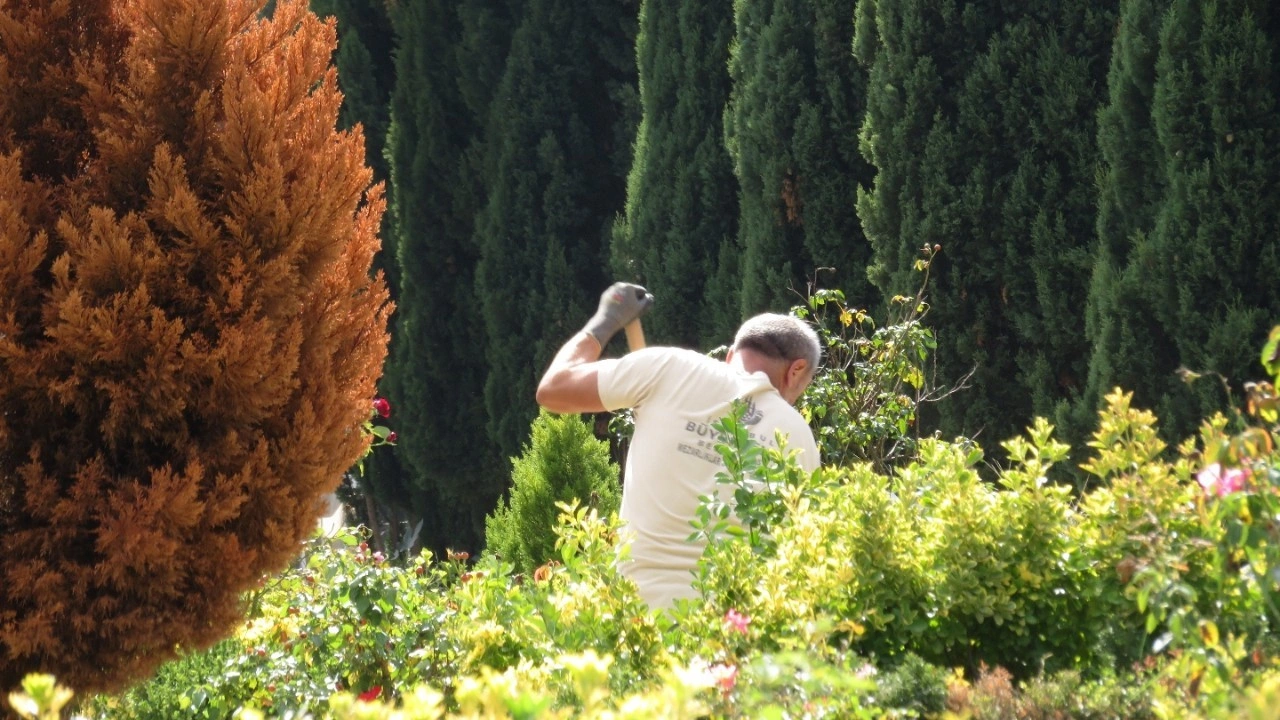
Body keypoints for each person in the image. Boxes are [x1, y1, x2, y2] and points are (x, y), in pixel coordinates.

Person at [536, 282, 821, 608]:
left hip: (637, 624)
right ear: (797, 369)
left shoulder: (668, 368)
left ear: (731, 356)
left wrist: (607, 319)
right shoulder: (799, 437)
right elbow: (799, 560)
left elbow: (553, 389)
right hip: (736, 635)